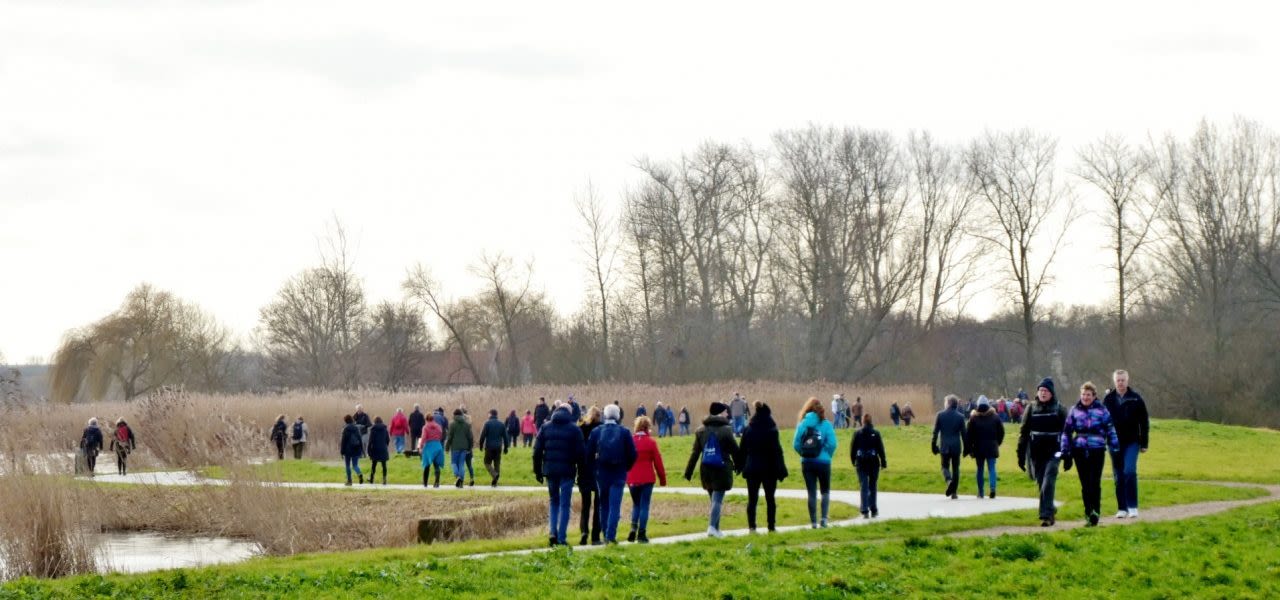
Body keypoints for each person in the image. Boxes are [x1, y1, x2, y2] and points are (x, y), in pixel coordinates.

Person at [1062, 381, 1120, 526]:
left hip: (1097, 449)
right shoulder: (1074, 410)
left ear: (1094, 396)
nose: (1085, 397)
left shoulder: (1102, 410)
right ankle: (1088, 512)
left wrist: (1115, 446)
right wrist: (1065, 450)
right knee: (1085, 483)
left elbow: (1110, 428)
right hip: (1079, 449)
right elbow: (1067, 431)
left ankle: (1096, 511)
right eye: (1083, 395)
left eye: (1088, 395)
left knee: (1095, 482)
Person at [532, 403, 586, 547]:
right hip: (567, 471)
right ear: (570, 413)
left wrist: (538, 471)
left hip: (550, 470)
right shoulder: (575, 429)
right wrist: (581, 473)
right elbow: (581, 454)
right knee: (564, 504)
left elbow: (536, 451)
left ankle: (552, 533)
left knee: (553, 501)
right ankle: (561, 537)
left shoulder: (545, 427)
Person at [684, 401, 741, 538]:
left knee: (714, 500)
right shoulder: (726, 430)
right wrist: (739, 466)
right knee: (717, 500)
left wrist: (688, 472)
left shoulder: (700, 431)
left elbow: (695, 453)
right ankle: (711, 528)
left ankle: (716, 529)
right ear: (720, 413)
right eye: (726, 411)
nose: (727, 413)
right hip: (721, 469)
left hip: (706, 470)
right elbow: (735, 451)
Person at [1017, 377, 1067, 527]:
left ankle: (1045, 515)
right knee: (1041, 483)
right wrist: (1020, 454)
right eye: (1040, 390)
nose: (1043, 393)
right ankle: (1050, 510)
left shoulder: (1060, 409)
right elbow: (1024, 432)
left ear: (1051, 393)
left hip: (1054, 452)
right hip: (1036, 452)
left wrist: (1068, 455)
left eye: (1046, 391)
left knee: (1048, 481)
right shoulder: (1031, 409)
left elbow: (1067, 433)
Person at [586, 404, 637, 545]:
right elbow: (633, 454)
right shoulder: (625, 432)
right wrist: (626, 467)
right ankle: (610, 535)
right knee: (615, 505)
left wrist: (594, 469)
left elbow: (588, 454)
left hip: (602, 473)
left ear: (605, 415)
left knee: (604, 505)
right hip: (619, 473)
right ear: (618, 416)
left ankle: (604, 535)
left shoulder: (597, 431)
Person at [1104, 369, 1150, 519]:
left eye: (1123, 380)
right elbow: (1103, 421)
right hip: (1114, 442)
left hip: (1132, 442)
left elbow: (1144, 422)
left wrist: (1144, 443)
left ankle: (1132, 506)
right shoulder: (1108, 399)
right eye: (1118, 380)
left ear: (1127, 381)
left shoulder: (1136, 399)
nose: (1120, 383)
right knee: (1118, 475)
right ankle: (1122, 508)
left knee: (1129, 471)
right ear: (1114, 381)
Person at [740, 401, 787, 533]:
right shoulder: (772, 430)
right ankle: (771, 526)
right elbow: (778, 451)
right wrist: (781, 469)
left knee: (752, 499)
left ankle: (752, 527)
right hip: (769, 469)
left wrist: (740, 466)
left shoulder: (748, 429)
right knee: (770, 499)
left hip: (752, 468)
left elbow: (742, 449)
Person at [792, 397, 838, 528]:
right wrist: (826, 454)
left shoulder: (803, 424)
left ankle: (813, 522)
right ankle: (823, 519)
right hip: (823, 462)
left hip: (807, 462)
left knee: (811, 492)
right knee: (825, 491)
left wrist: (803, 453)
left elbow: (796, 443)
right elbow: (833, 444)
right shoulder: (826, 424)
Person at [626, 416, 666, 543]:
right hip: (647, 478)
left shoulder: (630, 441)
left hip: (632, 478)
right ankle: (641, 534)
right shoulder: (651, 442)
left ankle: (633, 528)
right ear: (647, 427)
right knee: (644, 506)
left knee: (636, 505)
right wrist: (662, 479)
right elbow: (658, 462)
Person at [966, 396, 1005, 499]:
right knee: (992, 468)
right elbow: (1001, 432)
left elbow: (969, 435)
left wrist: (970, 448)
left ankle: (980, 492)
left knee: (980, 469)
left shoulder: (973, 418)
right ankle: (992, 489)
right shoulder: (995, 417)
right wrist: (998, 443)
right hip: (992, 447)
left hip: (978, 448)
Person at [577, 406, 605, 545]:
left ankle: (584, 532)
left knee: (585, 504)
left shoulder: (581, 428)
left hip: (584, 470)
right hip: (598, 470)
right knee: (598, 504)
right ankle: (595, 536)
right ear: (600, 416)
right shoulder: (603, 430)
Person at [851, 414, 888, 518]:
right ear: (871, 421)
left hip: (861, 462)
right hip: (873, 462)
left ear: (862, 421)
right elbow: (881, 449)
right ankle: (874, 508)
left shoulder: (857, 433)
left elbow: (853, 448)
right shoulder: (876, 433)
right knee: (872, 485)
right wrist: (883, 462)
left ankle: (864, 510)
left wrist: (853, 460)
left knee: (864, 485)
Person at [931, 395, 967, 499]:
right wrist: (967, 448)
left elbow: (935, 432)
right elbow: (964, 435)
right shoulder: (960, 417)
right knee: (956, 468)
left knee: (944, 467)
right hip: (956, 446)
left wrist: (933, 445)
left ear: (948, 403)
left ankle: (948, 480)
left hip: (945, 446)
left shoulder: (940, 415)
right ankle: (954, 492)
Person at [479, 409, 511, 487]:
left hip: (489, 447)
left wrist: (481, 445)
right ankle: (495, 481)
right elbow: (506, 437)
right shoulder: (501, 424)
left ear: (490, 414)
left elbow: (482, 436)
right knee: (497, 464)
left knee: (487, 463)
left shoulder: (487, 423)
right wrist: (506, 447)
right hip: (498, 447)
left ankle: (494, 475)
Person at [443, 409, 473, 488]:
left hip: (455, 447)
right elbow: (470, 438)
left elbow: (449, 437)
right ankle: (461, 482)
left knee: (453, 463)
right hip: (464, 448)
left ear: (455, 415)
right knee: (461, 464)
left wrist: (447, 448)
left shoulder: (452, 424)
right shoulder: (467, 425)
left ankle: (457, 476)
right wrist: (470, 448)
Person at [418, 414, 445, 488]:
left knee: (426, 465)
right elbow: (441, 435)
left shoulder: (425, 427)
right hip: (437, 445)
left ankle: (425, 483)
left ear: (426, 419)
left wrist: (420, 447)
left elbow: (423, 438)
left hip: (429, 446)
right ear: (433, 419)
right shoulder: (438, 426)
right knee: (436, 465)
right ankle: (437, 482)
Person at [340, 414, 364, 486]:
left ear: (345, 421)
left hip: (348, 451)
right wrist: (362, 449)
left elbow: (343, 441)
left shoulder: (346, 429)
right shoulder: (356, 428)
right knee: (355, 465)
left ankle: (349, 481)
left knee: (347, 465)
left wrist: (342, 451)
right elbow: (360, 439)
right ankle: (359, 474)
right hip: (356, 449)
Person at [367, 416, 391, 485]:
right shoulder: (385, 429)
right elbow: (388, 440)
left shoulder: (373, 429)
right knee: (384, 465)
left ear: (374, 422)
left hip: (375, 449)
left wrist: (369, 451)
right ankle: (384, 479)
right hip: (383, 448)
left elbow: (370, 441)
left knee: (374, 465)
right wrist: (385, 446)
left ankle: (371, 479)